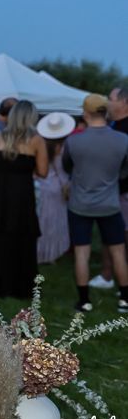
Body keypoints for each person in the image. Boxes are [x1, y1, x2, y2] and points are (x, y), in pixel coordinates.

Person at [0, 100, 48, 298]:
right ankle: (17, 284)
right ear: (32, 117)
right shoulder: (37, 140)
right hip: (21, 195)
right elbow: (43, 171)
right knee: (19, 237)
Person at [62, 94, 128, 313]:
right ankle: (125, 300)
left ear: (85, 113)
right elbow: (124, 171)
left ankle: (84, 301)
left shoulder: (74, 140)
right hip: (110, 204)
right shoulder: (122, 140)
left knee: (82, 253)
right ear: (105, 112)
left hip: (80, 204)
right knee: (118, 252)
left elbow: (67, 167)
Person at [90, 86, 128, 290]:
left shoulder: (123, 129)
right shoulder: (114, 125)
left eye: (110, 98)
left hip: (121, 191)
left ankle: (109, 276)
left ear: (124, 102)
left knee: (118, 234)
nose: (107, 102)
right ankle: (108, 275)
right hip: (113, 190)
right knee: (113, 233)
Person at [35, 112, 75, 265]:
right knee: (55, 222)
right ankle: (52, 254)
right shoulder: (65, 148)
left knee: (41, 221)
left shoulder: (40, 144)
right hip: (59, 188)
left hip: (42, 186)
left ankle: (39, 253)